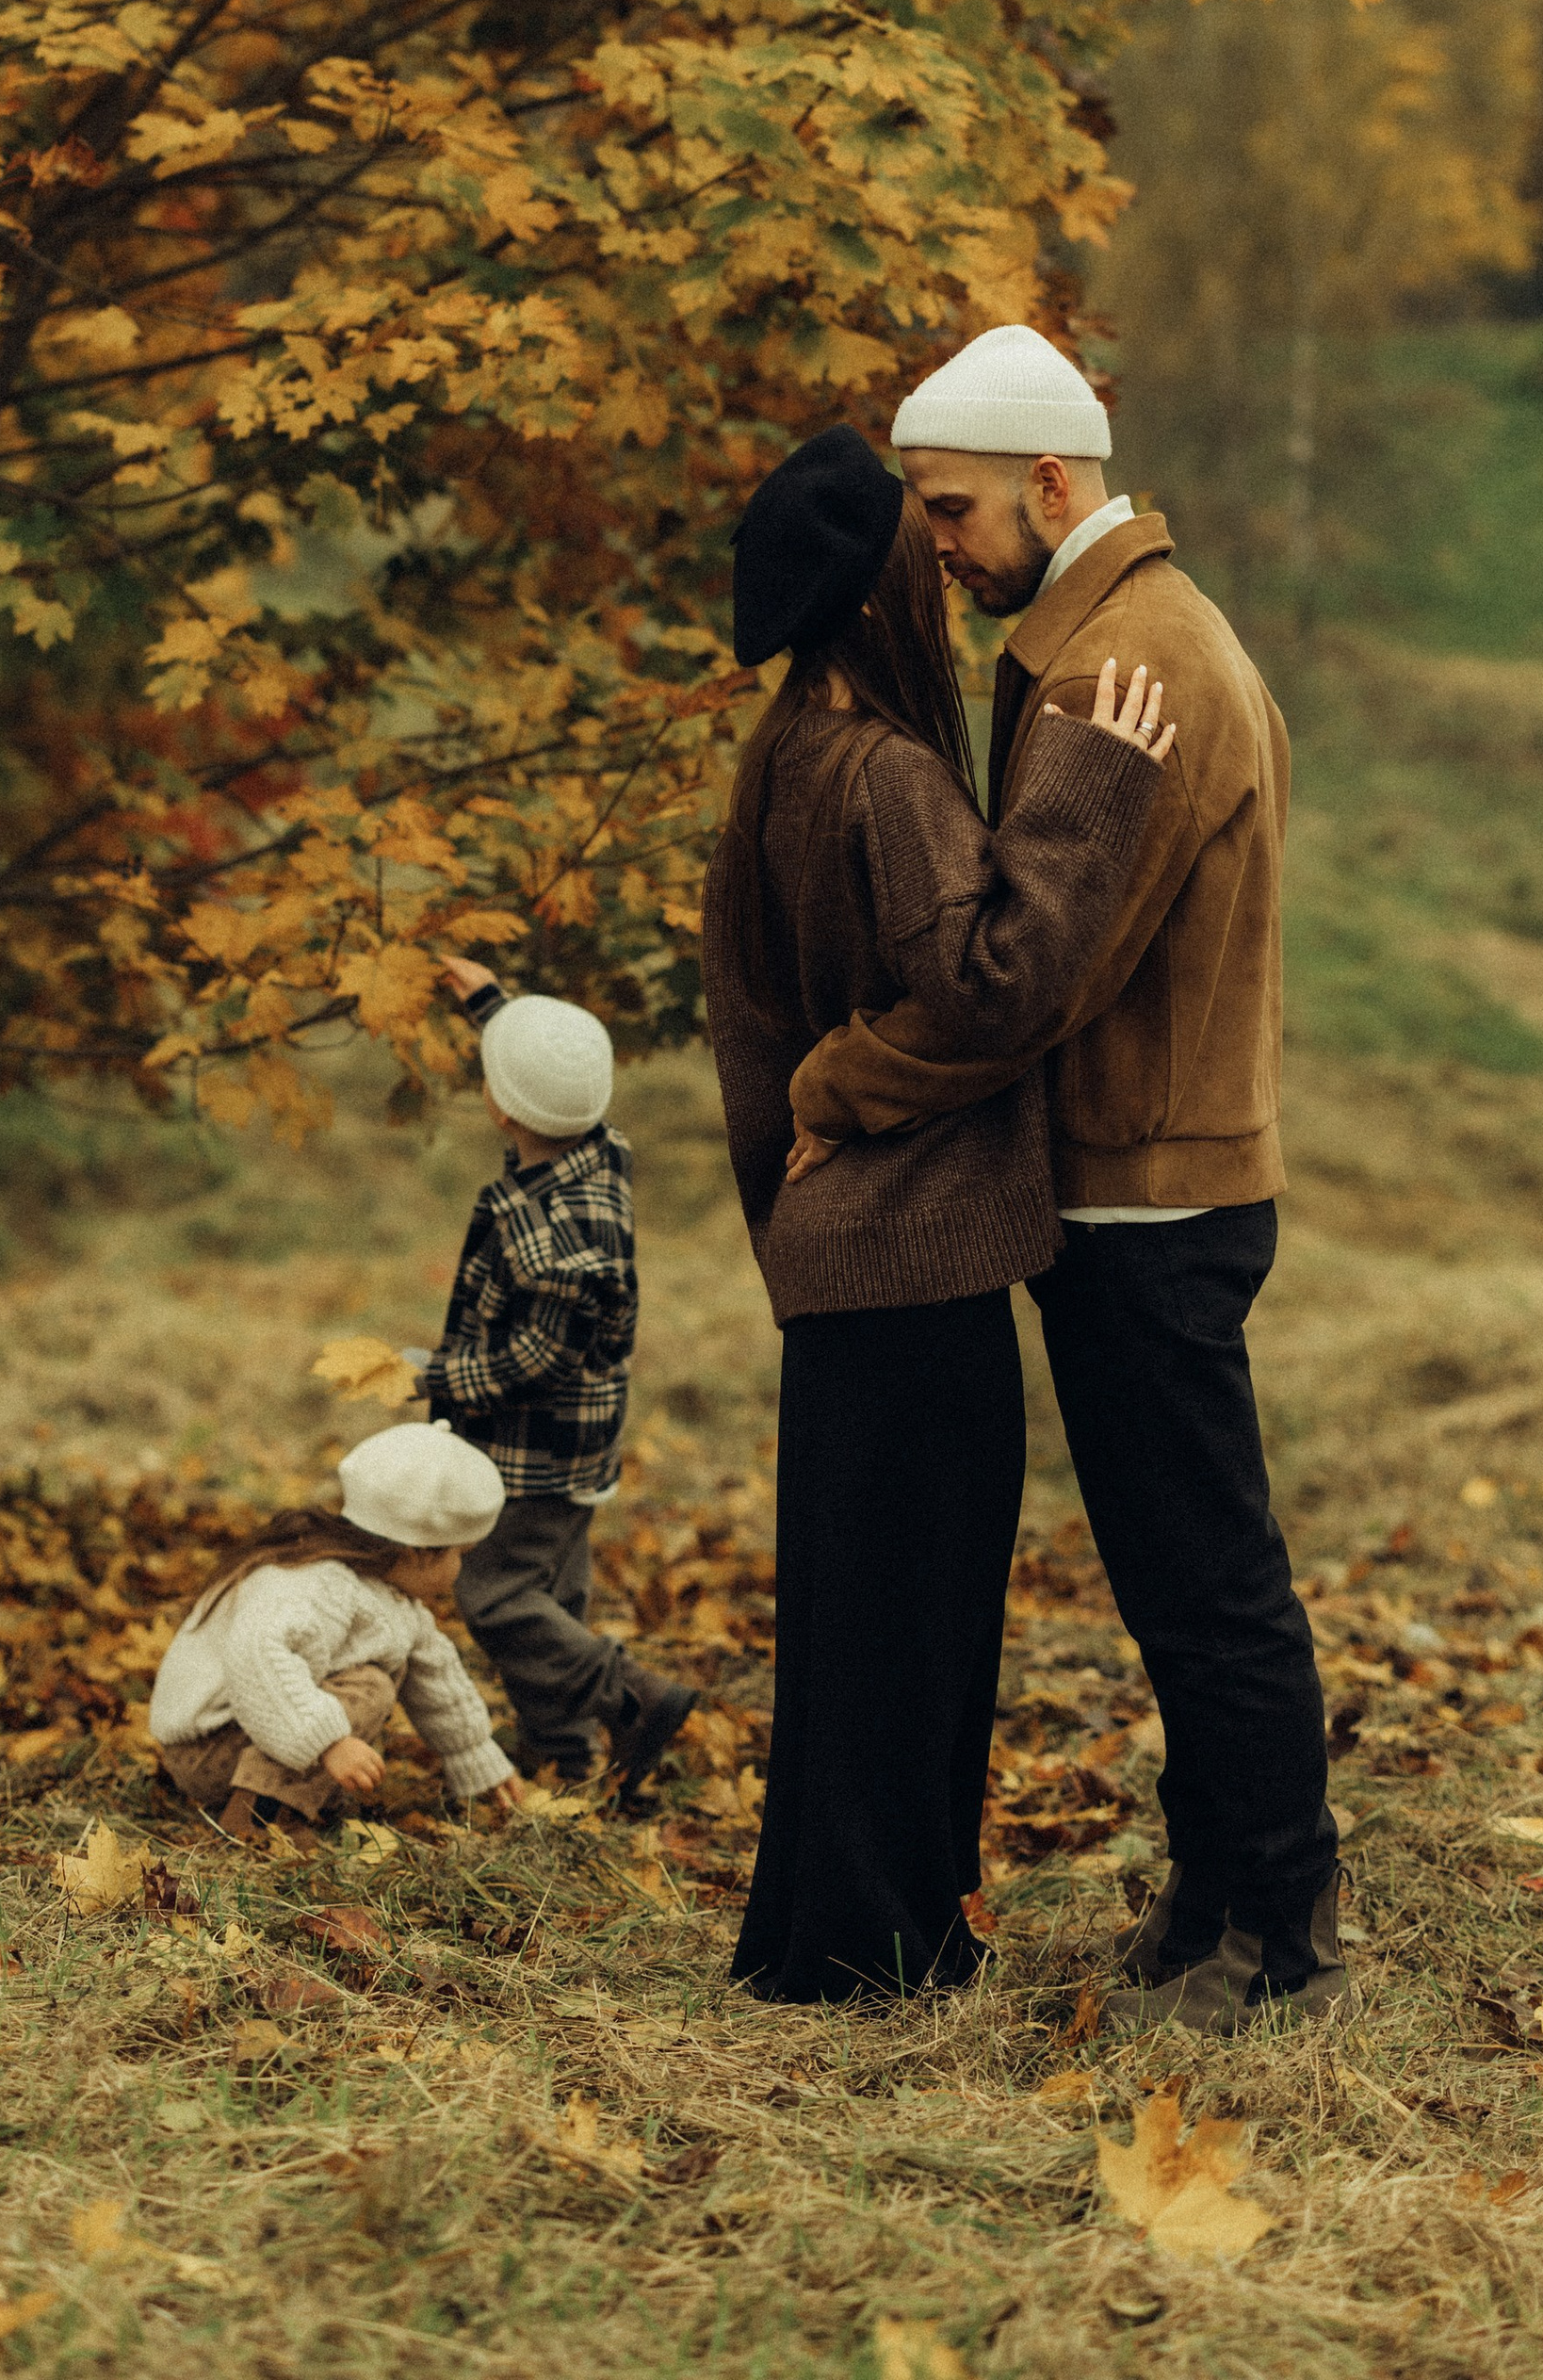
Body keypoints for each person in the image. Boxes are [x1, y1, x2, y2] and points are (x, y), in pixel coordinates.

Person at [786, 325, 1344, 2038]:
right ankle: (1215, 1894)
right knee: (1176, 1568)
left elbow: (1019, 972)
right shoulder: (1113, 641)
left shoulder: (1131, 673)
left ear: (1050, 481)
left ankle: (1283, 1928)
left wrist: (841, 1085)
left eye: (952, 509)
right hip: (1137, 1185)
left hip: (1150, 1202)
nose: (933, 545)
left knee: (1206, 1576)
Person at [704, 419, 1176, 2002]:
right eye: (926, 547)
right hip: (919, 1265)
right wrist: (1095, 787)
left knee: (848, 1618)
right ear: (885, 595)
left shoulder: (780, 758)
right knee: (922, 1622)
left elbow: (747, 1026)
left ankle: (823, 1936)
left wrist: (795, 1171)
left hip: (833, 1258)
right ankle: (890, 1951)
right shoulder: (889, 776)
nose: (949, 565)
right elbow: (996, 983)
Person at [411, 972, 696, 1800]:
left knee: (494, 1595)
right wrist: (491, 1004)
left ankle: (633, 1698)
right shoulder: (596, 1149)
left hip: (528, 1452)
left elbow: (541, 1359)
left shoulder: (547, 1234)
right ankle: (565, 1751)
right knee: (553, 1594)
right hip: (579, 1449)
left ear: (500, 1111)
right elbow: (544, 1081)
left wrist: (437, 1376)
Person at [149, 1420, 522, 1842]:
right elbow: (256, 1655)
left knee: (372, 1683)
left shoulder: (392, 1598)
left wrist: (475, 1757)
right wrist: (328, 1744)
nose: (461, 1570)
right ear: (420, 1551)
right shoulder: (319, 1584)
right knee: (370, 1687)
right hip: (205, 1747)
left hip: (251, 1734)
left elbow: (438, 1679)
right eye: (461, 1555)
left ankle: (276, 1797)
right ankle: (257, 1819)